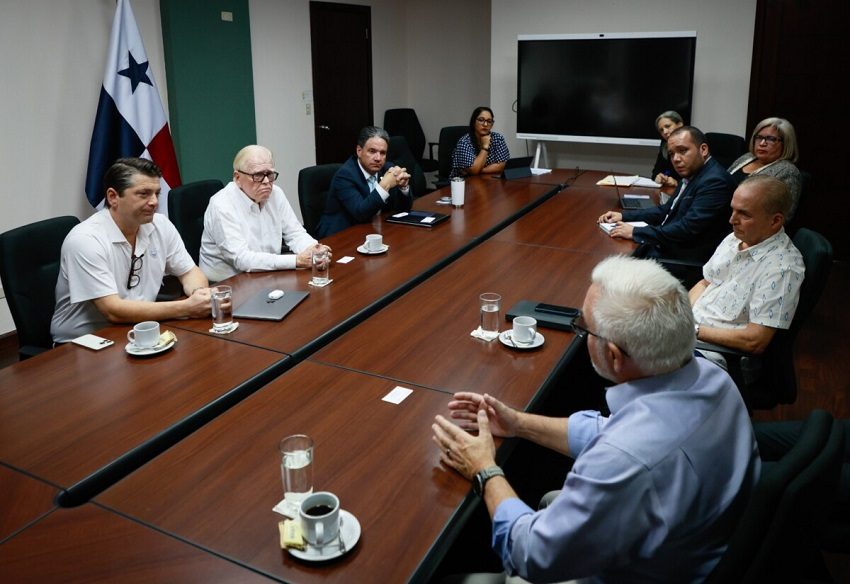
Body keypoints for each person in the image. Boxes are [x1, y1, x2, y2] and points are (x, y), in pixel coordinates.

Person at [432, 255, 759, 583]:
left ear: (615, 356)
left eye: (583, 327)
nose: (581, 333)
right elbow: (608, 431)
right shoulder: (714, 377)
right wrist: (518, 423)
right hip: (691, 540)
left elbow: (532, 555)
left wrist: (484, 470)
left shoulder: (625, 457)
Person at [51, 158, 211, 343]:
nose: (154, 202)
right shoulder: (85, 240)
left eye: (156, 194)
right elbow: (113, 310)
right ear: (113, 197)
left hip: (139, 328)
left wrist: (199, 295)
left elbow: (190, 272)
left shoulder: (160, 225)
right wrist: (186, 308)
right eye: (143, 194)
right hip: (84, 342)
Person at [691, 175, 805, 364]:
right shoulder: (735, 238)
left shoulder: (783, 269)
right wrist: (678, 316)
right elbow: (705, 283)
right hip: (689, 333)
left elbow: (755, 340)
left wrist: (692, 330)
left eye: (744, 214)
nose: (731, 220)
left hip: (714, 353)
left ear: (775, 221)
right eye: (733, 210)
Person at [598, 126, 737, 263]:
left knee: (611, 267)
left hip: (684, 260)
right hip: (668, 247)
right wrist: (624, 216)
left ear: (703, 149)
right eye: (671, 154)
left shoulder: (715, 181)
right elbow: (666, 211)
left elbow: (686, 229)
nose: (676, 159)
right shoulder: (693, 174)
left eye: (683, 150)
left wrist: (635, 232)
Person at [199, 145, 331, 282]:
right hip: (227, 283)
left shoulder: (276, 193)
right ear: (238, 178)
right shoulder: (221, 205)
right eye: (258, 175)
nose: (267, 181)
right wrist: (296, 260)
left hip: (267, 273)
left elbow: (295, 233)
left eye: (270, 174)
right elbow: (241, 259)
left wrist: (314, 250)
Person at [315, 126, 412, 238]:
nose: (378, 158)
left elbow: (403, 209)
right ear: (359, 151)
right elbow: (360, 213)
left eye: (382, 153)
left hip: (372, 230)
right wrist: (384, 185)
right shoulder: (345, 175)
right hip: (340, 235)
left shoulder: (387, 169)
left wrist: (403, 188)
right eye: (372, 151)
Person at [728, 117, 802, 220]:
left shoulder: (788, 172)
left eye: (771, 139)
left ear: (785, 144)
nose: (762, 143)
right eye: (759, 137)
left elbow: (785, 214)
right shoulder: (747, 157)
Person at [450, 107, 511, 178]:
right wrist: (485, 147)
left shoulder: (498, 138)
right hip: (464, 184)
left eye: (489, 121)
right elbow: (474, 170)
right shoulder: (464, 142)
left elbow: (501, 166)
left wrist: (477, 170)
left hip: (488, 180)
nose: (485, 124)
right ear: (473, 122)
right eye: (481, 120)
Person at [651, 110, 684, 187]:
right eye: (661, 130)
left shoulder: (691, 144)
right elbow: (656, 171)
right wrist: (658, 176)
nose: (665, 132)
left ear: (679, 124)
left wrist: (678, 183)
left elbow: (697, 178)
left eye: (667, 126)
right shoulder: (665, 144)